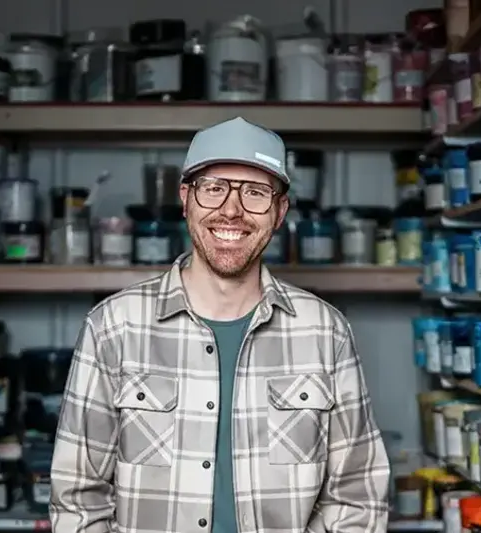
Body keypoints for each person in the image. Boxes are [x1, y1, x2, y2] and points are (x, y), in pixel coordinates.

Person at [50, 117, 390, 533]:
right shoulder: (113, 327)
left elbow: (357, 495)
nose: (232, 210)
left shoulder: (326, 332)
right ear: (186, 198)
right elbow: (78, 499)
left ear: (280, 211)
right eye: (214, 188)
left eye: (255, 193)